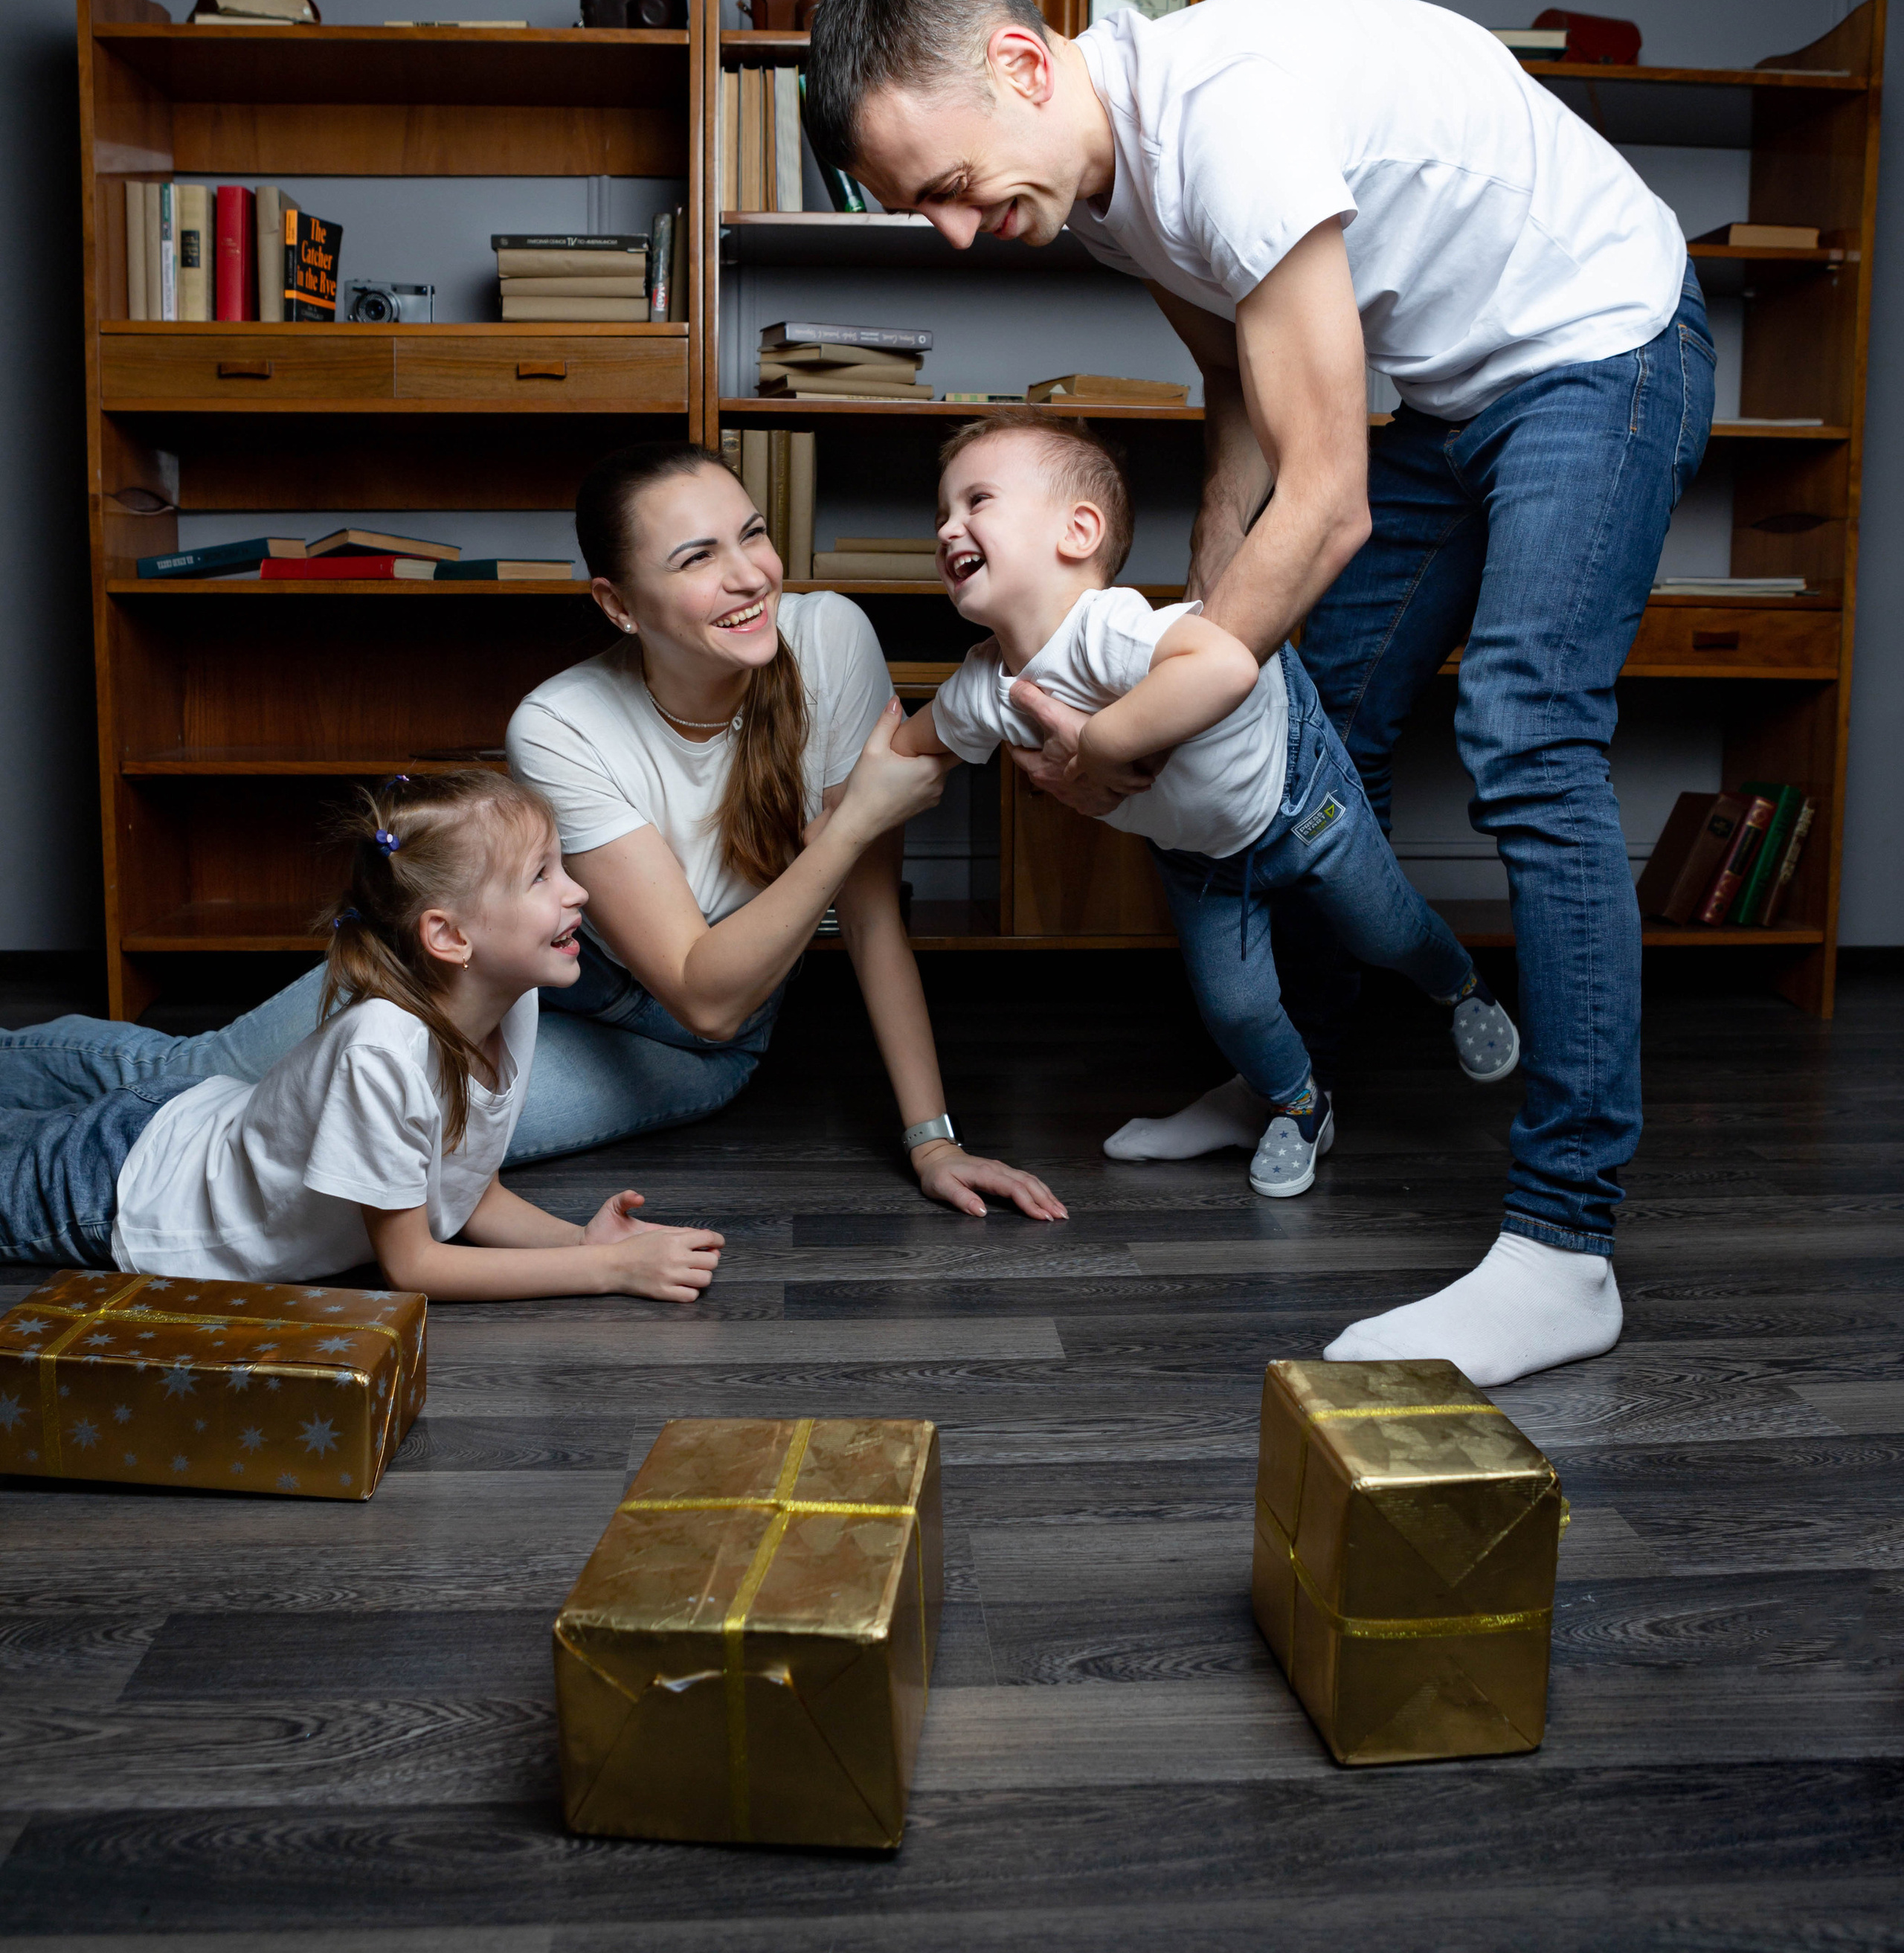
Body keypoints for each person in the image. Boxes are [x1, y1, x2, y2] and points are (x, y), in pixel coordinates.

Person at [807, 0, 1714, 1383]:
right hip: (1433, 391)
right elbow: (1239, 405)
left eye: (951, 189)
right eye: (925, 213)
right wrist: (1200, 632)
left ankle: (1560, 1246)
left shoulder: (1224, 130)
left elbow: (1329, 497)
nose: (961, 236)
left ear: (1024, 68)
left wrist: (1139, 725)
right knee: (1322, 721)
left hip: (1595, 340)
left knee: (1524, 736)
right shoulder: (1103, 199)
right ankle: (1295, 1081)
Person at [1, 444, 1064, 1225]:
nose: (750, 576)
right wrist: (857, 816)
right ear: (618, 603)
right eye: (698, 558)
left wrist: (934, 1143)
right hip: (515, 972)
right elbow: (698, 963)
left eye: (752, 534)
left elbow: (795, 960)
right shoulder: (560, 722)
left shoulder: (831, 642)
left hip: (686, 1047)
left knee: (336, 1140)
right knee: (213, 1071)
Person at [894, 413, 1518, 1198]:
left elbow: (1224, 665)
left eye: (976, 501)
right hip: (1201, 858)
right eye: (941, 512)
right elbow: (916, 744)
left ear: (1078, 530)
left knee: (1382, 929)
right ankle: (1300, 1106)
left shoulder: (1109, 629)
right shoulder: (985, 687)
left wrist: (1100, 743)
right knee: (1235, 1007)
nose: (949, 527)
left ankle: (1458, 985)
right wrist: (854, 779)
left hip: (1298, 797)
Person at [0, 769, 723, 1299]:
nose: (577, 892)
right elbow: (411, 1266)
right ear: (448, 935)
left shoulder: (513, 1000)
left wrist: (583, 1239)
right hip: (118, 1189)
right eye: (540, 876)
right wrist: (605, 1271)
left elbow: (471, 1194)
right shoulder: (383, 1052)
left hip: (178, 1119)